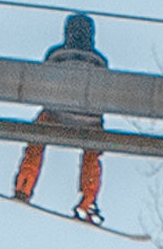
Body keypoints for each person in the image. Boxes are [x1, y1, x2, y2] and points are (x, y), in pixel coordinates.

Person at [12, 13, 109, 224]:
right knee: (93, 151)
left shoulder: (56, 54)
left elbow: (42, 84)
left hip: (57, 114)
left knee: (37, 138)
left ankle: (24, 186)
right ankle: (89, 200)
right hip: (89, 121)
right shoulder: (99, 61)